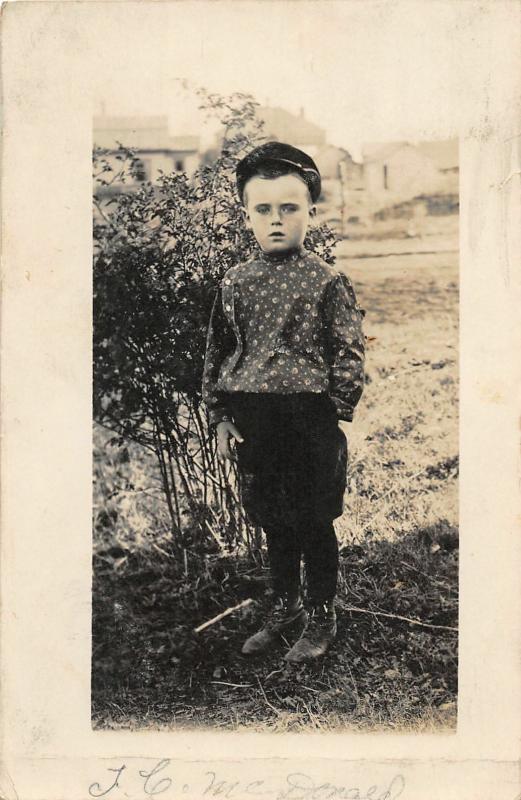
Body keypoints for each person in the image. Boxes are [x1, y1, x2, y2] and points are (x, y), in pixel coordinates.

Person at [202, 141, 365, 663]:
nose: (277, 220)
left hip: (309, 416)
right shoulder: (235, 283)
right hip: (255, 417)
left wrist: (334, 412)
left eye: (289, 208)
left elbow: (347, 349)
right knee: (274, 518)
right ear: (247, 215)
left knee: (314, 518)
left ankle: (321, 614)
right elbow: (218, 351)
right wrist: (222, 415)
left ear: (311, 212)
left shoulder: (324, 280)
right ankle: (285, 607)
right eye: (264, 209)